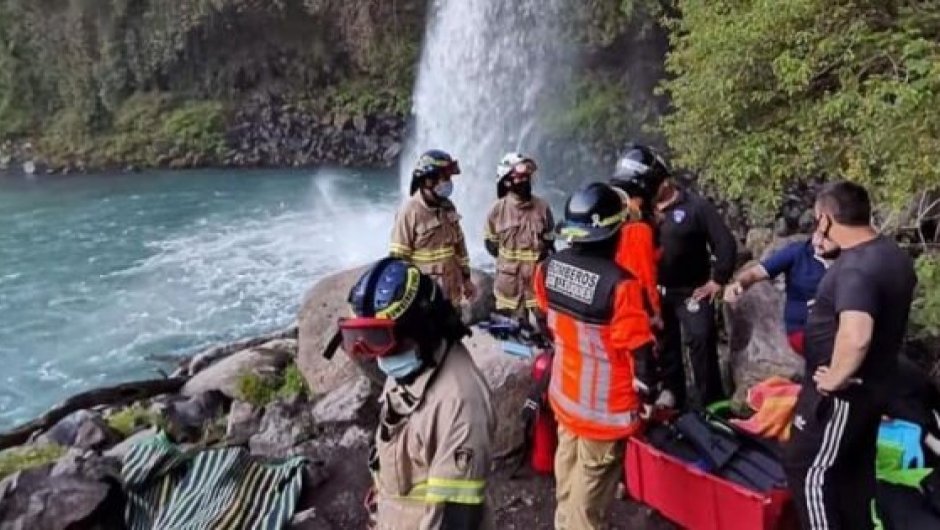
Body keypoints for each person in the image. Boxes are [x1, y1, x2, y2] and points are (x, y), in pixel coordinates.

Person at [783, 181, 916, 530]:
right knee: (853, 475)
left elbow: (857, 335)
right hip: (876, 386)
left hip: (842, 396)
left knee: (808, 470)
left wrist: (835, 377)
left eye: (816, 220)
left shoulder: (856, 269)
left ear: (826, 219)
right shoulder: (890, 254)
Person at [339, 257, 496, 530]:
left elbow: (455, 520)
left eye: (381, 341)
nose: (377, 356)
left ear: (421, 331)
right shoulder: (409, 367)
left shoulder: (459, 405)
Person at [533, 182, 656, 530]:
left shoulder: (548, 268)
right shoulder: (621, 285)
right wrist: (646, 395)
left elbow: (546, 319)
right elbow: (640, 350)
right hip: (605, 409)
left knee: (567, 475)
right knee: (590, 499)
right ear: (615, 232)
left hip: (564, 396)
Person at [631, 148, 736, 409]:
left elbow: (725, 243)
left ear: (665, 182)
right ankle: (673, 399)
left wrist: (718, 280)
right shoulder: (640, 212)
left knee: (701, 342)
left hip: (693, 291)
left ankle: (712, 402)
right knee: (666, 348)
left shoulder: (696, 207)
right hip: (658, 292)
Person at [723, 232, 838, 355]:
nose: (818, 242)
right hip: (804, 330)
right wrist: (739, 283)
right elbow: (755, 273)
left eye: (827, 238)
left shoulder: (851, 258)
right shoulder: (799, 252)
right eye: (818, 235)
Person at [390, 150, 475, 308]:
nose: (448, 183)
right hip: (425, 295)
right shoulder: (409, 211)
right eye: (445, 178)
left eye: (449, 178)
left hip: (452, 291)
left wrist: (467, 279)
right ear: (428, 180)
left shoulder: (448, 207)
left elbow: (460, 246)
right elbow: (398, 259)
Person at [484, 152, 555, 318]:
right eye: (520, 178)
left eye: (527, 178)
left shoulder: (543, 208)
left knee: (546, 329)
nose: (525, 182)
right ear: (507, 181)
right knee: (514, 333)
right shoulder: (496, 211)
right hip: (510, 288)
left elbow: (550, 244)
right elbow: (490, 244)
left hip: (537, 286)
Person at [609, 144, 668, 328]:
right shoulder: (637, 228)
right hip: (631, 313)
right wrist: (655, 315)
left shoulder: (610, 206)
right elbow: (643, 278)